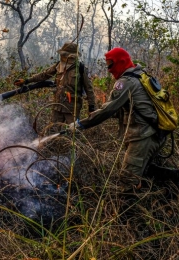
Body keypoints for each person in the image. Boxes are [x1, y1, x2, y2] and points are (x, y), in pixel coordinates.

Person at [68, 47, 165, 190]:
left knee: (127, 179)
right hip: (153, 134)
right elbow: (124, 108)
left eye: (110, 65)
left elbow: (109, 109)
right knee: (144, 172)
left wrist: (80, 124)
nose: (108, 70)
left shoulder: (126, 82)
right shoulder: (141, 75)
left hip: (143, 136)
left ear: (121, 62)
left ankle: (129, 210)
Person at [14, 41, 96, 126]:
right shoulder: (58, 65)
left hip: (72, 108)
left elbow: (89, 89)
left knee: (74, 132)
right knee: (53, 129)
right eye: (62, 54)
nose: (62, 56)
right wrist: (26, 80)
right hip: (57, 105)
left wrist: (92, 107)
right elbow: (44, 75)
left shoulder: (81, 68)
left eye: (65, 55)